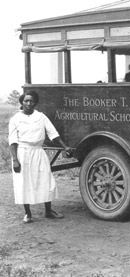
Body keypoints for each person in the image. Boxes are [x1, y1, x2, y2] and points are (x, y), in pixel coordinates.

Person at [8, 90, 71, 224]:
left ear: (35, 103)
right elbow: (12, 141)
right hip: (22, 153)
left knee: (46, 179)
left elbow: (53, 133)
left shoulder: (41, 117)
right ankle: (28, 213)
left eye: (31, 101)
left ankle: (48, 211)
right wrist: (15, 160)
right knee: (24, 182)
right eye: (26, 101)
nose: (29, 103)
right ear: (22, 102)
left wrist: (64, 146)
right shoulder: (15, 119)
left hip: (38, 151)